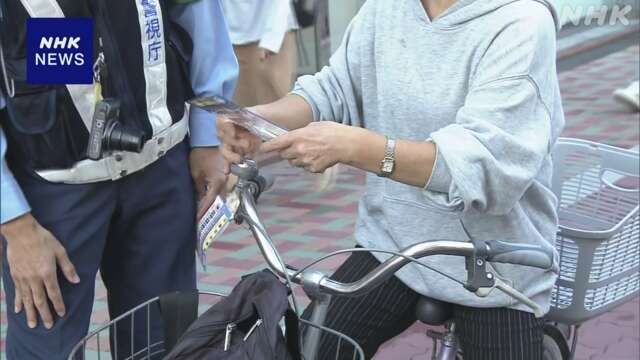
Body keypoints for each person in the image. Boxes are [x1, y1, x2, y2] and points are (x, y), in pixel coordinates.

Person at [217, 0, 565, 359]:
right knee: (311, 349)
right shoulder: (387, 8)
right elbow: (333, 88)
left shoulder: (520, 22)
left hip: (493, 263)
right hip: (395, 244)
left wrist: (356, 146)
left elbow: (485, 165)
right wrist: (262, 121)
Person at [0, 0, 237, 358]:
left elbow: (199, 14)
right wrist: (14, 223)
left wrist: (207, 137)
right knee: (48, 348)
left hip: (162, 168)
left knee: (163, 342)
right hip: (51, 197)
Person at [221, 0, 298, 107]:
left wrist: (271, 38)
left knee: (272, 107)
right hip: (230, 36)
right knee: (239, 111)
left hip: (270, 34)